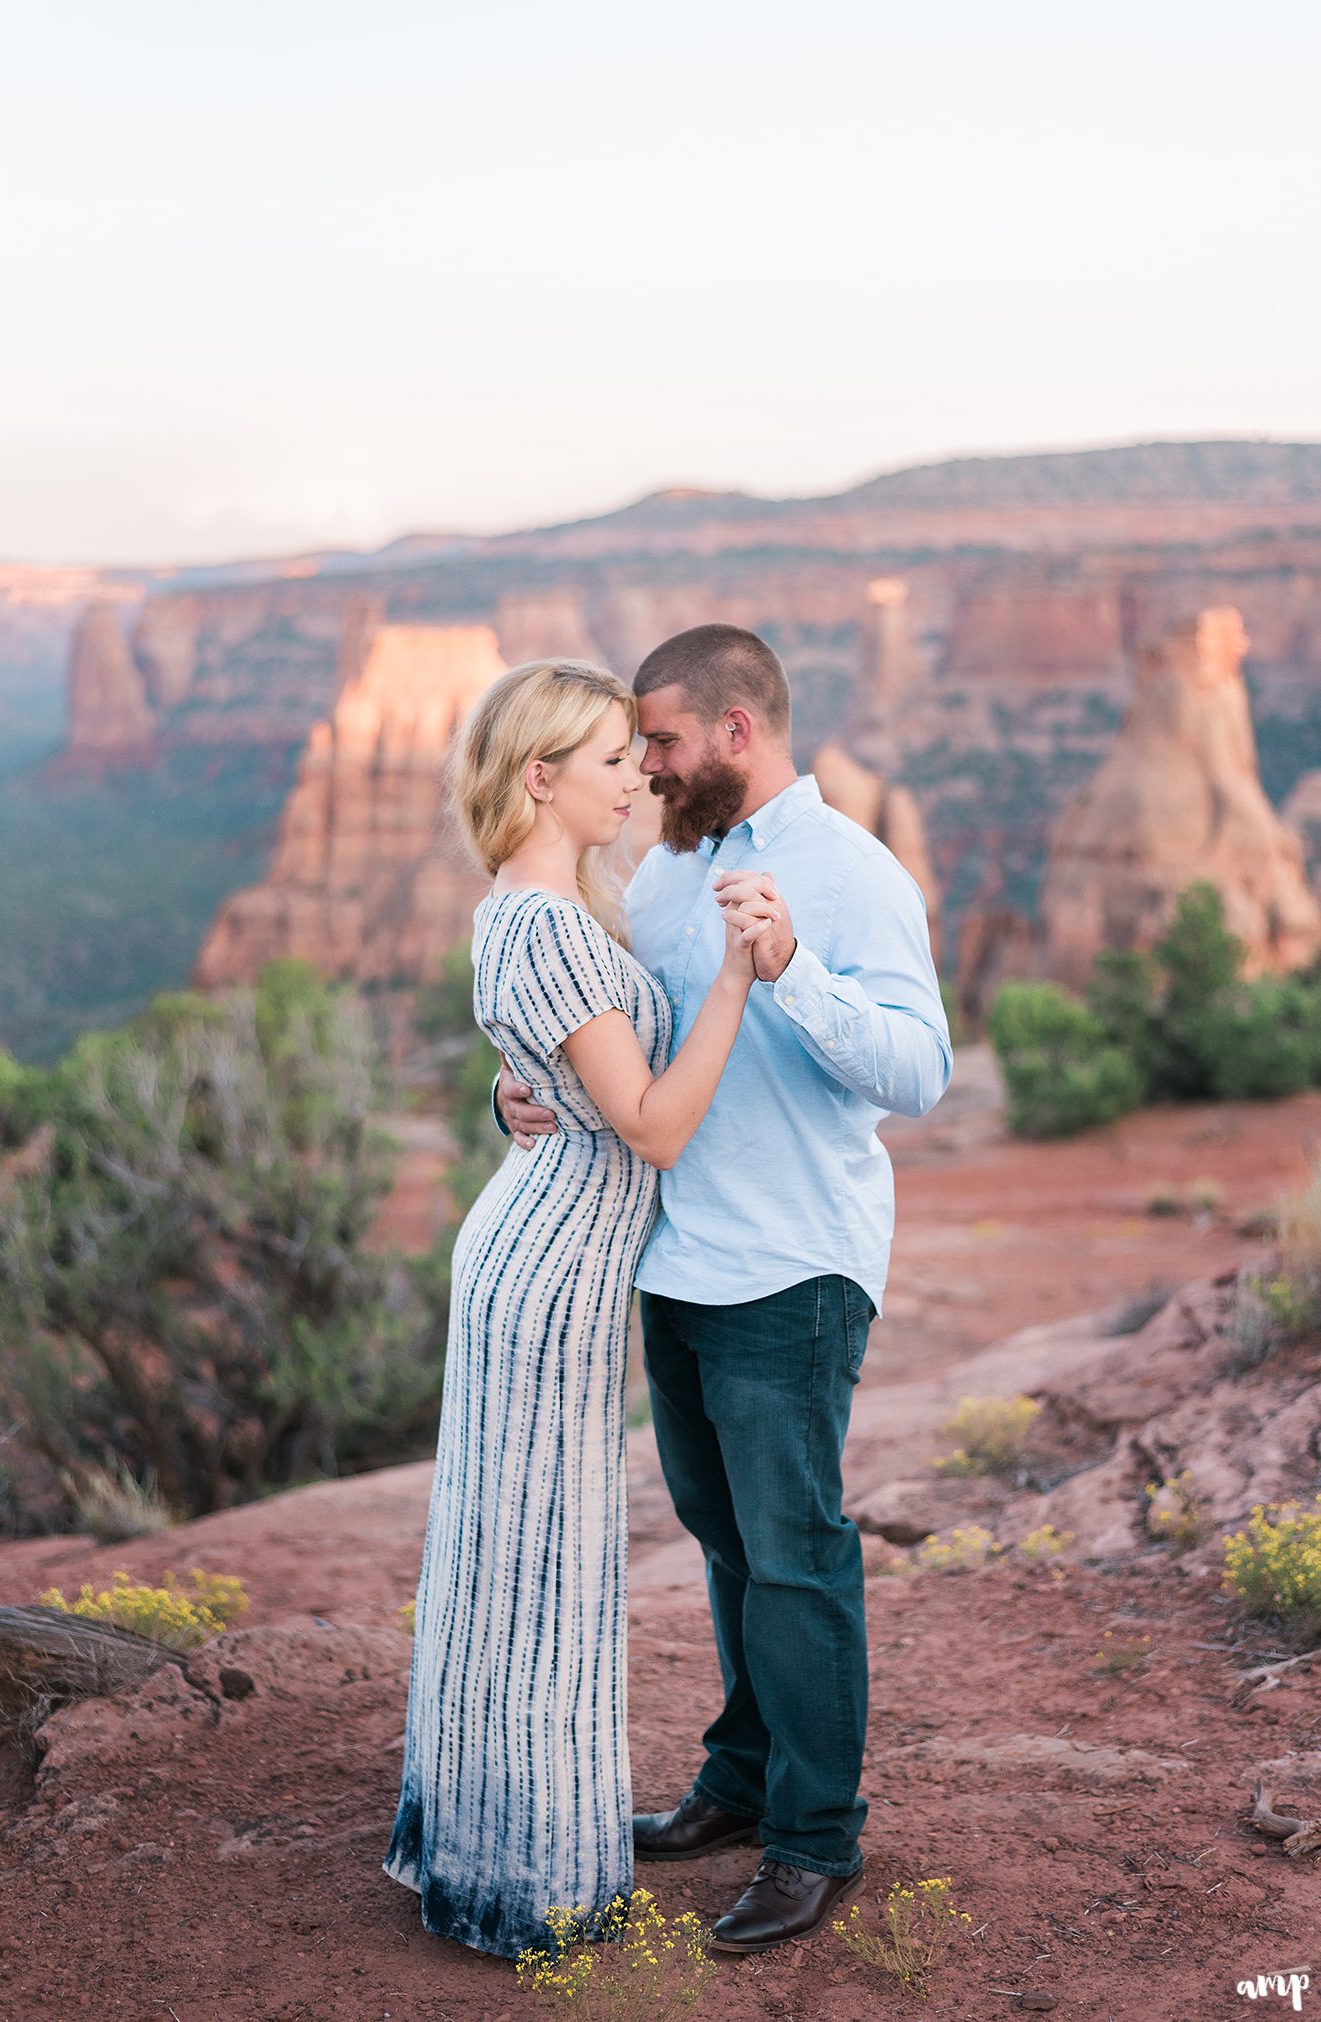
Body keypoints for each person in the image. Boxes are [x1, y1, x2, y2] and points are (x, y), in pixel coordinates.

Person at [497, 624, 952, 1954]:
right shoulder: (662, 869)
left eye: (662, 739)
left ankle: (814, 1840)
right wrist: (523, 1091)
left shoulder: (850, 871)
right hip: (674, 1260)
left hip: (791, 1270)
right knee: (723, 1535)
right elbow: (624, 1047)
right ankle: (742, 1781)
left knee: (795, 1552)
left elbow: (919, 1073)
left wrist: (796, 967)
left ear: (737, 734)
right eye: (634, 744)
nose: (643, 763)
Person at [383, 658, 761, 1960]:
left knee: (507, 1559)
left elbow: (548, 1074)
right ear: (539, 777)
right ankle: (527, 1884)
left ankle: (481, 1845)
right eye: (609, 760)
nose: (636, 777)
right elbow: (652, 1126)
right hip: (549, 1271)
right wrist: (733, 978)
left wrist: (511, 1093)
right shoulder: (547, 922)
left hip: (534, 1238)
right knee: (541, 1564)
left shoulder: (525, 906)